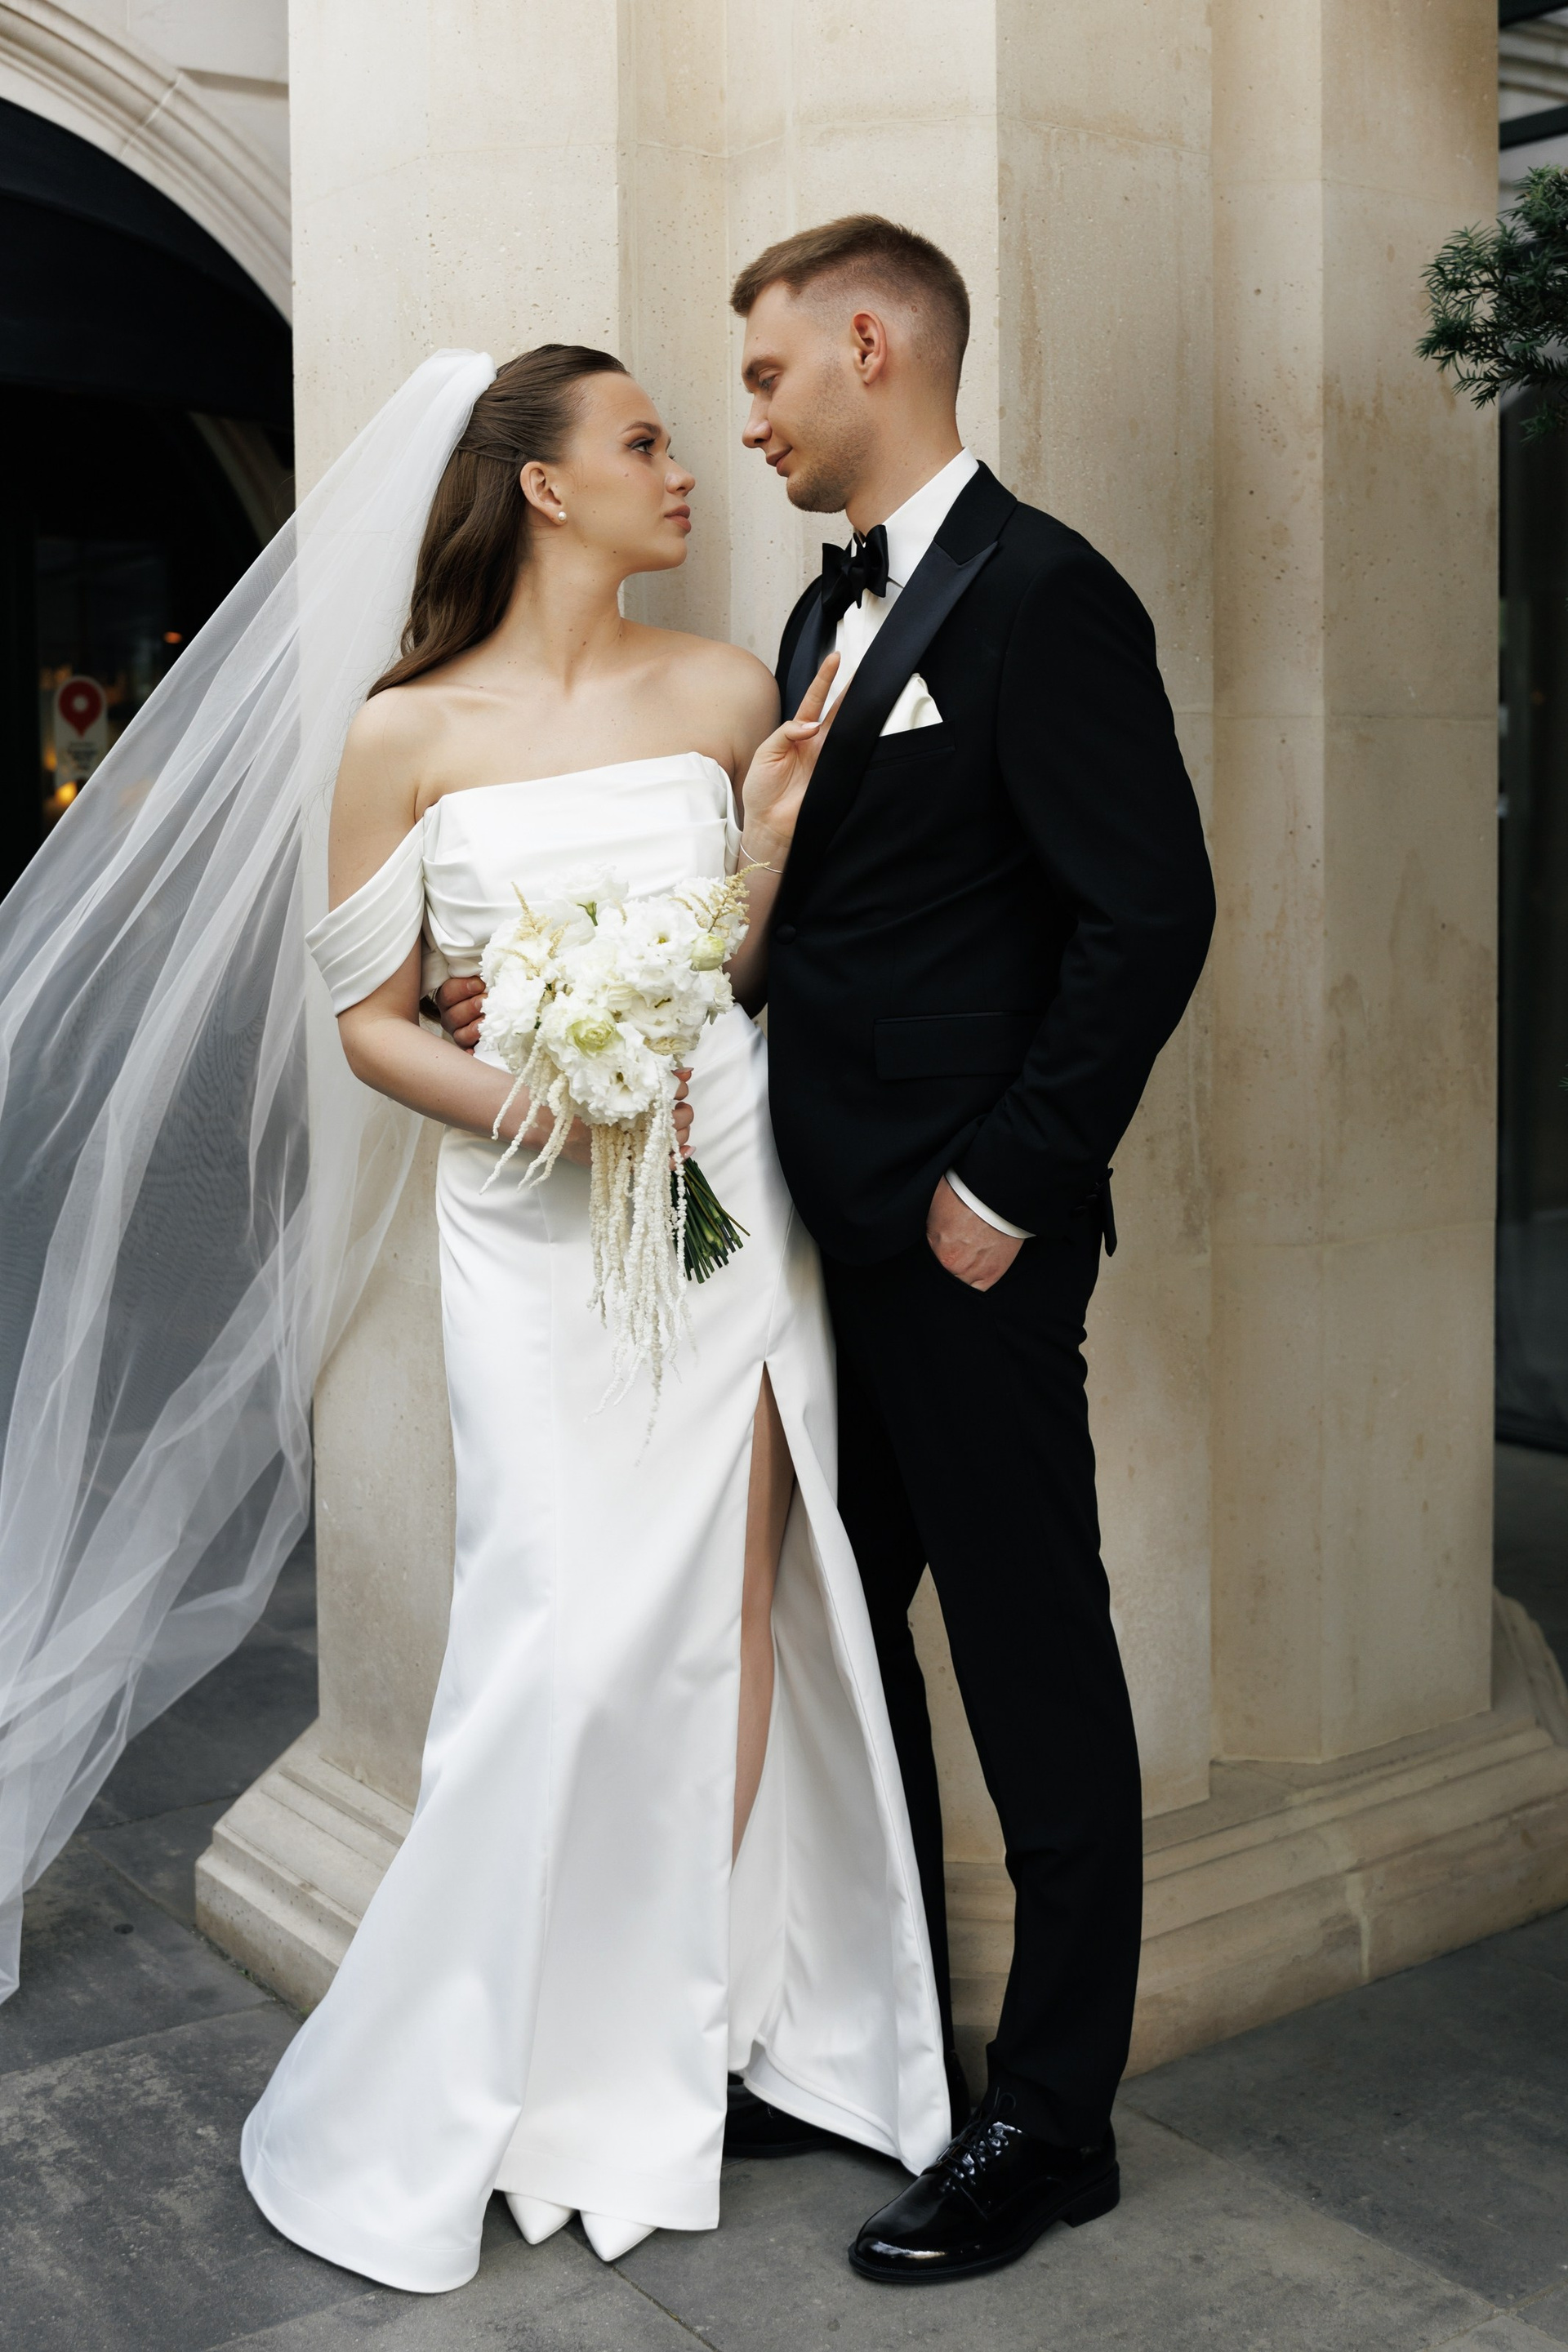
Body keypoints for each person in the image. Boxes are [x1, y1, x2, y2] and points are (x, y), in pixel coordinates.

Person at [440, 216, 1216, 2286]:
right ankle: (859, 2046)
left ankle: (1050, 2121)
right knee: (835, 1664)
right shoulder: (814, 612)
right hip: (792, 1256)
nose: (752, 424)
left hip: (965, 1251)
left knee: (1033, 1667)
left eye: (769, 378)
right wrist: (540, 1007)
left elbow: (1151, 915)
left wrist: (1009, 1188)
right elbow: (781, 919)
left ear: (871, 345)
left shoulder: (1046, 594)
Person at [229, 346, 953, 2287]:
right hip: (528, 1228)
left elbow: (745, 966)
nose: (684, 467)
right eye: (642, 441)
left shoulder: (722, 693)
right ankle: (491, 2052)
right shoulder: (403, 733)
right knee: (553, 1640)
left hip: (724, 1215)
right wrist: (537, 1100)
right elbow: (372, 1022)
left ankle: (670, 2040)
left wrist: (770, 835)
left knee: (721, 1625)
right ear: (547, 486)